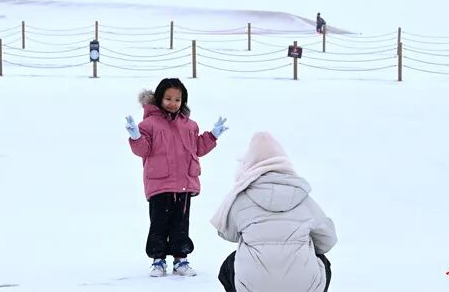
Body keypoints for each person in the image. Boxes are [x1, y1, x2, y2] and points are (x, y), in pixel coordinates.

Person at [126, 77, 229, 277]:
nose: (173, 103)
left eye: (177, 99)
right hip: (160, 183)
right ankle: (158, 260)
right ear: (159, 99)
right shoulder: (149, 124)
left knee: (181, 224)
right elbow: (143, 150)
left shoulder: (189, 125)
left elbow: (197, 148)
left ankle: (181, 259)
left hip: (184, 182)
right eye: (168, 99)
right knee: (159, 223)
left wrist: (213, 135)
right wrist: (136, 137)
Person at [210, 131, 337, 292]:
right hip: (304, 286)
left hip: (252, 285)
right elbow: (328, 241)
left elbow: (227, 234)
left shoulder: (241, 199)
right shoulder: (304, 199)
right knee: (322, 262)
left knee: (229, 264)